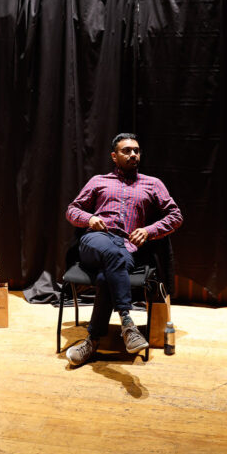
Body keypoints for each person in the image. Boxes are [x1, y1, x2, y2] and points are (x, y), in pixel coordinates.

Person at [64, 132, 183, 366]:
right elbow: (72, 210)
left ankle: (92, 341)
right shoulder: (99, 181)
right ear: (114, 156)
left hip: (127, 247)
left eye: (136, 151)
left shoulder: (153, 184)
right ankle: (127, 322)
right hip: (96, 240)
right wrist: (89, 219)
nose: (133, 155)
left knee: (106, 275)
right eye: (126, 151)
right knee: (111, 253)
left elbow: (175, 216)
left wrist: (149, 230)